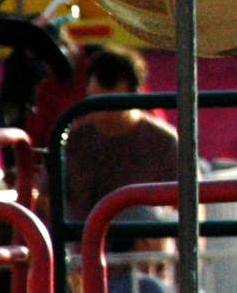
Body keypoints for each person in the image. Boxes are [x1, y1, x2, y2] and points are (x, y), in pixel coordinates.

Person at [60, 46, 181, 229]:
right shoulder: (72, 141)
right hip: (85, 249)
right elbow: (49, 199)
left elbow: (191, 203)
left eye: (112, 101)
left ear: (134, 95)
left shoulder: (164, 141)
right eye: (94, 100)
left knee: (143, 214)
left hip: (146, 252)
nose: (101, 112)